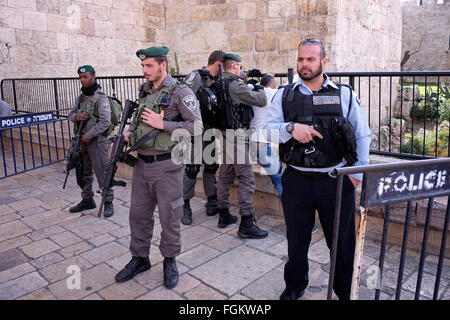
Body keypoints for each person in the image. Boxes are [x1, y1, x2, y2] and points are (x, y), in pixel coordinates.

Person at [265, 39, 371, 300]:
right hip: (296, 180)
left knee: (342, 244)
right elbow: (264, 130)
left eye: (311, 59)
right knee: (296, 241)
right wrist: (290, 128)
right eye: (301, 59)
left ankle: (345, 291)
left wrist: (355, 176)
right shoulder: (284, 94)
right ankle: (295, 286)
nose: (304, 64)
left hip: (335, 180)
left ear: (323, 62)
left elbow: (362, 135)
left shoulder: (344, 94)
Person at [114, 46, 203, 289]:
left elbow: (196, 128)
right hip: (142, 165)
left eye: (149, 66)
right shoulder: (145, 90)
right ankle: (139, 258)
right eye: (143, 66)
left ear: (163, 65)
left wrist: (162, 123)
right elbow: (139, 118)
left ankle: (170, 260)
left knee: (170, 217)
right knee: (138, 216)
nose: (144, 70)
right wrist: (130, 132)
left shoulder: (180, 92)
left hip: (167, 167)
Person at [215, 53, 269, 239]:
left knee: (226, 174)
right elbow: (261, 100)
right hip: (237, 137)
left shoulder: (219, 81)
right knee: (247, 178)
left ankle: (223, 214)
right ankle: (246, 222)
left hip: (224, 135)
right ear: (235, 66)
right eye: (240, 66)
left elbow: (234, 78)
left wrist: (247, 74)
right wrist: (259, 85)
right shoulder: (236, 85)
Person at [182, 50, 225, 225]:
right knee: (191, 169)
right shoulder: (196, 77)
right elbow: (183, 100)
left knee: (211, 166)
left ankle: (212, 200)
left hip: (211, 131)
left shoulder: (217, 80)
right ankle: (184, 204)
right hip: (195, 132)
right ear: (218, 63)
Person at [68, 65, 114, 218]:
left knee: (103, 172)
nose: (82, 80)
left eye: (85, 77)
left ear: (94, 77)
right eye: (80, 77)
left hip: (96, 142)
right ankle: (87, 199)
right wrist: (76, 117)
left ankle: (108, 202)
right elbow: (71, 114)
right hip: (81, 142)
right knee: (83, 172)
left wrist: (88, 135)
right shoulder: (81, 97)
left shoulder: (102, 98)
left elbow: (105, 122)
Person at [249, 74, 283, 198]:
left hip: (249, 141)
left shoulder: (252, 92)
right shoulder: (272, 93)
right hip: (261, 143)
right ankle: (289, 209)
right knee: (278, 178)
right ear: (272, 85)